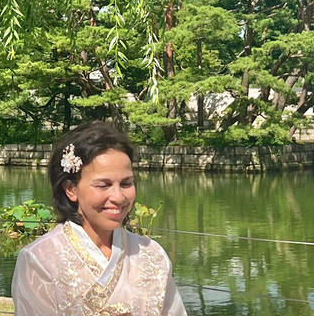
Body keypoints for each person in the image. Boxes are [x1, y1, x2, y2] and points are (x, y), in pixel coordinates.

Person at [11, 121, 187, 316]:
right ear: (71, 189)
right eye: (103, 185)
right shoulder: (41, 259)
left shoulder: (152, 256)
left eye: (126, 183)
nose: (118, 197)